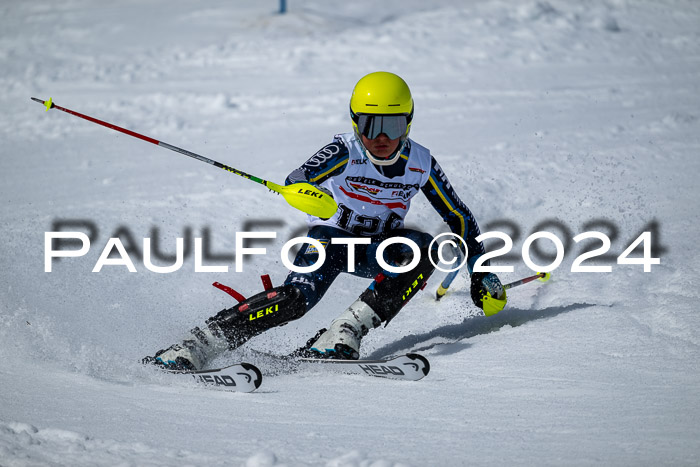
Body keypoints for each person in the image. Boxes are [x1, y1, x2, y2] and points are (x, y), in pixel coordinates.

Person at [143, 72, 506, 370]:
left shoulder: (421, 163)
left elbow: (458, 216)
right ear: (355, 122)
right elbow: (299, 176)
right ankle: (198, 343)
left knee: (423, 249)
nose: (380, 138)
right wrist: (303, 191)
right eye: (370, 124)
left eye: (392, 126)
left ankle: (344, 331)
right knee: (296, 300)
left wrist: (480, 270)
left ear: (408, 124)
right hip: (332, 242)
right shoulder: (345, 151)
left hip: (380, 250)